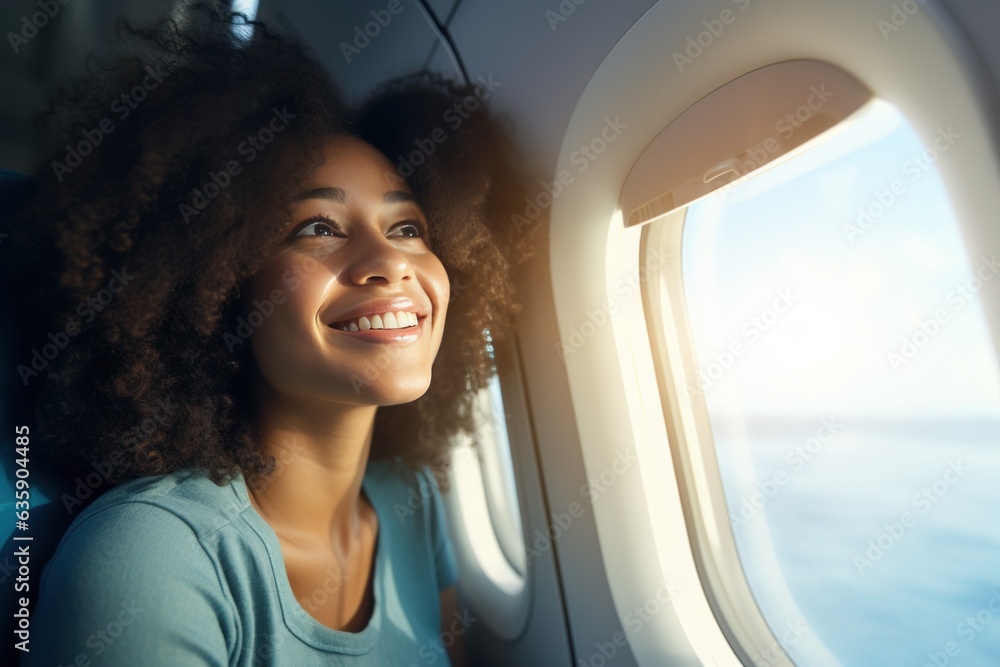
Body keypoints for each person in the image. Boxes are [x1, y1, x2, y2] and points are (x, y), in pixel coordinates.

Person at [11, 5, 535, 665]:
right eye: (318, 227)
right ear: (217, 286)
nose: (391, 261)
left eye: (408, 229)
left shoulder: (413, 502)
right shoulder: (148, 560)